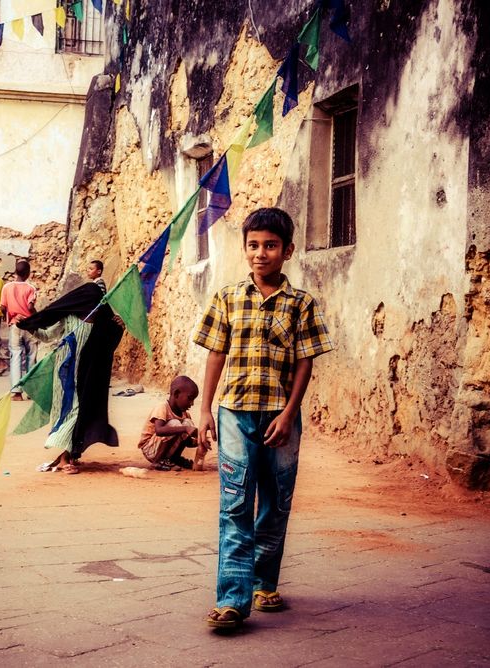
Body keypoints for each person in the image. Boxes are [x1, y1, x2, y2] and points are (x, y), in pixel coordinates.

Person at [193, 208, 334, 631]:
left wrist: (290, 414)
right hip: (234, 414)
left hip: (280, 420)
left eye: (270, 245)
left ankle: (264, 582)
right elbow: (216, 353)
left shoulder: (301, 304)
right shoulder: (227, 298)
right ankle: (232, 600)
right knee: (235, 503)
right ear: (245, 249)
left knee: (276, 503)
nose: (261, 253)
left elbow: (305, 363)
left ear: (287, 250)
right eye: (253, 245)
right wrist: (204, 410)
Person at [18, 281, 123, 474]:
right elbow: (47, 335)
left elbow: (108, 345)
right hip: (64, 372)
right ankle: (66, 456)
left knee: (79, 410)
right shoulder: (69, 316)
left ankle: (69, 455)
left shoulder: (102, 320)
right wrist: (29, 324)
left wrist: (118, 327)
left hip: (86, 374)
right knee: (67, 411)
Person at [138, 376, 200, 471]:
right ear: (176, 394)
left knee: (188, 422)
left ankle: (174, 459)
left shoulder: (185, 415)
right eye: (190, 398)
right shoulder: (162, 407)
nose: (192, 404)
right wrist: (185, 429)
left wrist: (198, 441)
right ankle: (157, 462)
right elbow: (159, 431)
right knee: (175, 424)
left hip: (164, 449)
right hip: (150, 449)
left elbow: (186, 442)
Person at [0, 260, 37, 400]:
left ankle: (16, 392)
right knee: (31, 357)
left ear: (15, 272)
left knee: (15, 356)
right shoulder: (30, 288)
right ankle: (32, 391)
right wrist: (38, 317)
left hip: (15, 325)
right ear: (28, 273)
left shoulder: (7, 287)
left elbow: (3, 307)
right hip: (29, 325)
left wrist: (7, 317)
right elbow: (30, 307)